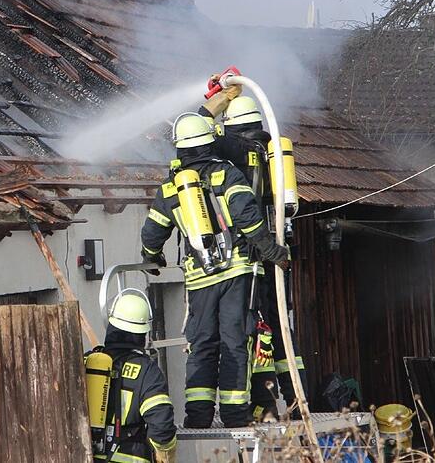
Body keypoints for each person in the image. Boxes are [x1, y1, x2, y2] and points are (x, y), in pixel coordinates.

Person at [140, 113, 290, 428]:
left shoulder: (171, 189)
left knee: (202, 343)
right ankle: (235, 413)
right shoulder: (228, 175)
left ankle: (198, 416)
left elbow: (152, 234)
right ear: (210, 142)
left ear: (179, 149)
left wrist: (153, 259)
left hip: (199, 278)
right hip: (237, 272)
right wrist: (272, 251)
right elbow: (248, 218)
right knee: (235, 339)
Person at [200, 94, 308, 421]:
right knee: (279, 328)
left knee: (252, 330)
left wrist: (214, 102)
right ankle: (296, 398)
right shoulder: (266, 149)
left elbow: (197, 137)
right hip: (275, 252)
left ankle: (260, 402)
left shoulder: (238, 149)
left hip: (253, 256)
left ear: (232, 127)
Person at [86, 292, 177, 462]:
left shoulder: (87, 362)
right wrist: (166, 456)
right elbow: (162, 427)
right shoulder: (147, 371)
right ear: (143, 333)